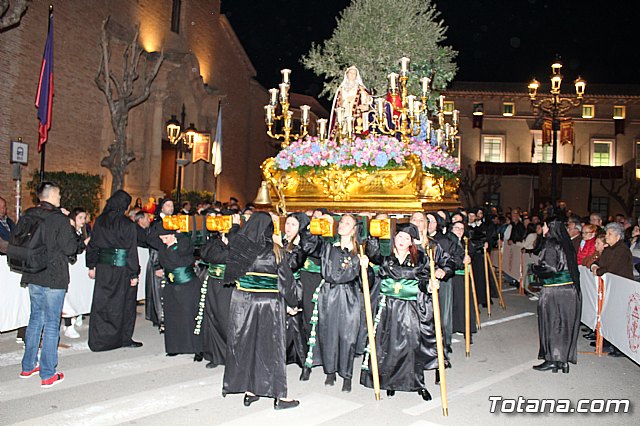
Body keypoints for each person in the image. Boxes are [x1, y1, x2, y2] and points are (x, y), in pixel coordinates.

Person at [214, 212, 299, 409]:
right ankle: (279, 396)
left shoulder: (239, 248)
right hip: (268, 303)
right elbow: (286, 281)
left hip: (242, 301)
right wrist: (292, 304)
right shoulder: (276, 250)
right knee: (271, 348)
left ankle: (250, 390)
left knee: (244, 344)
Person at [361, 223, 446, 402]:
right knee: (388, 345)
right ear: (394, 237)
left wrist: (430, 285)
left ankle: (417, 384)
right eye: (400, 236)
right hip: (388, 306)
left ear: (411, 242)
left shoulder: (421, 258)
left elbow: (423, 280)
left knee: (412, 344)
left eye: (407, 238)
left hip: (410, 307)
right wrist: (374, 235)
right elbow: (372, 254)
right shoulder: (386, 257)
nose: (402, 241)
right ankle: (390, 382)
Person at [19, 181, 78, 388]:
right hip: (54, 277)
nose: (60, 198)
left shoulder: (28, 214)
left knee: (35, 319)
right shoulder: (59, 219)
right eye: (59, 194)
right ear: (52, 196)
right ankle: (47, 373)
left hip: (33, 274)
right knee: (52, 323)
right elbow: (71, 248)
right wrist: (71, 226)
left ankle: (28, 366)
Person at [300, 213, 365, 393]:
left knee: (347, 335)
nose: (342, 225)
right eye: (341, 221)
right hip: (328, 293)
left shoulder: (359, 250)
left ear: (354, 229)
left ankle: (347, 374)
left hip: (349, 295)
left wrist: (364, 266)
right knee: (328, 332)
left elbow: (368, 278)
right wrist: (312, 227)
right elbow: (308, 245)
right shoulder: (328, 247)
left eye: (347, 223)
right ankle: (330, 371)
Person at [86, 190, 141, 351]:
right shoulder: (127, 224)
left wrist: (92, 265)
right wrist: (134, 273)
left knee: (102, 303)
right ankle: (123, 338)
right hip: (121, 269)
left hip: (103, 268)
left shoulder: (100, 221)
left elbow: (93, 245)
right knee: (124, 303)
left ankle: (100, 340)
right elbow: (131, 251)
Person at [531, 218, 581, 374]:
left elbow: (550, 268)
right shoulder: (566, 244)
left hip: (555, 291)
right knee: (563, 325)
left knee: (552, 324)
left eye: (544, 226)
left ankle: (552, 360)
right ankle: (562, 361)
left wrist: (535, 269)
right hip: (570, 291)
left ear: (549, 228)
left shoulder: (551, 243)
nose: (543, 228)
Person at [198, 211, 241, 369]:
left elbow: (232, 256)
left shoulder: (238, 240)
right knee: (213, 318)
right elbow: (206, 254)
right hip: (214, 284)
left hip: (229, 285)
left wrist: (233, 234)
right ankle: (216, 355)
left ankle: (233, 356)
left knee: (228, 320)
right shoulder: (214, 240)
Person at [156, 227, 203, 358]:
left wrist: (180, 235)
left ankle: (197, 348)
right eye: (162, 239)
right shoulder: (165, 247)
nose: (164, 242)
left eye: (166, 238)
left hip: (187, 285)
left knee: (190, 316)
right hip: (172, 286)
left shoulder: (183, 246)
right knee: (173, 317)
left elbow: (177, 258)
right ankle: (175, 346)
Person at [145, 198, 175, 329]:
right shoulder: (157, 223)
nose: (171, 208)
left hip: (170, 261)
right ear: (162, 208)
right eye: (168, 205)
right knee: (158, 291)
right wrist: (157, 265)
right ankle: (160, 318)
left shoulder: (174, 222)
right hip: (158, 260)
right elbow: (153, 245)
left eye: (172, 205)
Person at [329, 66, 372, 137]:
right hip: (343, 114)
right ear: (347, 74)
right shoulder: (341, 89)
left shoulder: (360, 88)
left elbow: (368, 99)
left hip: (355, 114)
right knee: (340, 132)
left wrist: (366, 105)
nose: (352, 75)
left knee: (355, 132)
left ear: (356, 76)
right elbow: (337, 103)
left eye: (354, 73)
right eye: (350, 73)